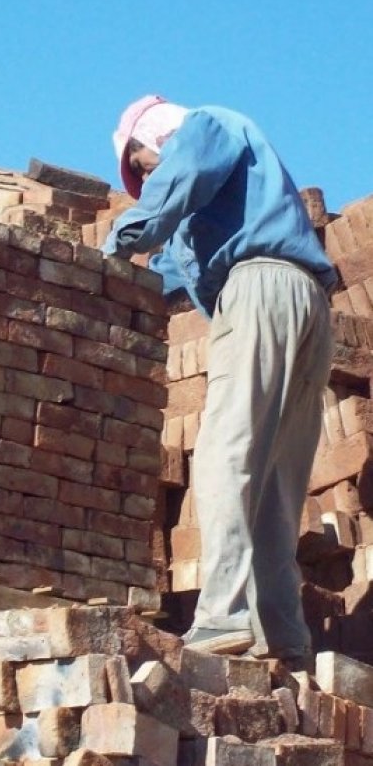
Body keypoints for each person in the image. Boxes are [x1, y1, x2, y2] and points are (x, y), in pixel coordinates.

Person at [103, 95, 337, 663]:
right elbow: (166, 275)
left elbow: (173, 184)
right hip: (308, 304)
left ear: (156, 135)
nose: (146, 178)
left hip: (259, 287)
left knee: (222, 456)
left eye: (141, 164)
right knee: (273, 480)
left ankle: (221, 616)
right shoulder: (209, 207)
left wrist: (114, 244)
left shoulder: (203, 127)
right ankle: (283, 636)